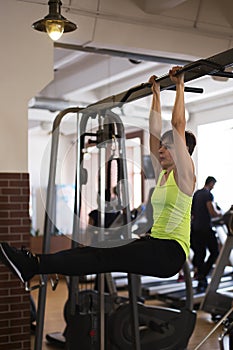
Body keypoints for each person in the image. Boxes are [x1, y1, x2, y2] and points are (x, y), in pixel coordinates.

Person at [0, 66, 196, 285]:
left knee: (104, 256)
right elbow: (154, 129)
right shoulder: (163, 174)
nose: (161, 149)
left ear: (183, 152)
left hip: (170, 253)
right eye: (162, 146)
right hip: (155, 245)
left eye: (168, 147)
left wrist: (180, 85)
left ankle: (33, 266)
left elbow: (178, 124)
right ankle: (33, 263)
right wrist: (156, 93)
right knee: (97, 251)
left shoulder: (185, 178)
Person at [191, 176, 222, 292]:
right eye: (213, 185)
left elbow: (192, 212)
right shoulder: (208, 195)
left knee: (200, 254)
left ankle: (201, 278)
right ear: (211, 183)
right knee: (215, 252)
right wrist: (220, 213)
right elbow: (212, 212)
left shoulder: (197, 194)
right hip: (205, 228)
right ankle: (202, 274)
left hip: (195, 228)